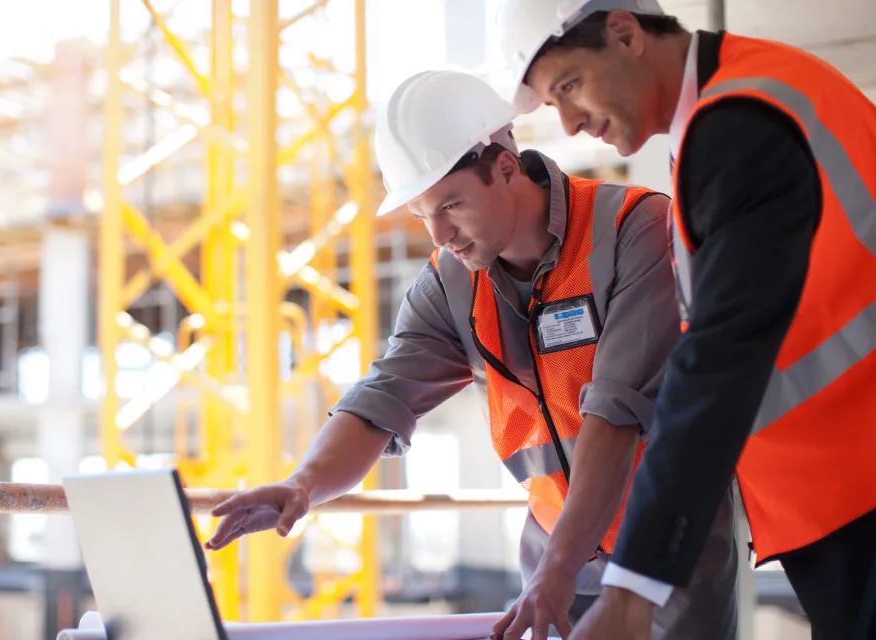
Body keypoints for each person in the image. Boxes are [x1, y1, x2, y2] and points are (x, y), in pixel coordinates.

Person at [202, 69, 737, 639]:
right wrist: (304, 484)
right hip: (555, 553)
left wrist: (555, 572)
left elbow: (615, 414)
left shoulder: (633, 230)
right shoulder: (452, 282)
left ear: (506, 168)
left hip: (663, 552)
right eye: (421, 215)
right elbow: (385, 396)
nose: (439, 235)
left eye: (451, 205)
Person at [494, 1, 876, 638]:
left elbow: (717, 362)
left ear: (625, 33)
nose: (570, 122)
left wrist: (634, 585)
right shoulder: (741, 101)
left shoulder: (738, 127)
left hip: (858, 484)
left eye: (569, 86)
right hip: (843, 482)